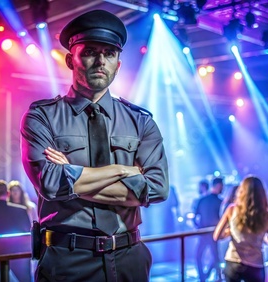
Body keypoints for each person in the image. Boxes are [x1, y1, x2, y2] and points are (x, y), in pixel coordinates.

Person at [20, 9, 169, 282]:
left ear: (118, 64)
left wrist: (73, 177)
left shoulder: (141, 121)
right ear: (70, 59)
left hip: (129, 259)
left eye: (110, 53)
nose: (100, 61)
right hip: (67, 262)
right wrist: (123, 170)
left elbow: (158, 188)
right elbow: (51, 184)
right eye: (89, 51)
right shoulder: (42, 117)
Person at [213, 176, 268, 282]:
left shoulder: (231, 210)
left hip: (234, 261)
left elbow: (217, 236)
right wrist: (262, 237)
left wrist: (230, 231)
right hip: (256, 265)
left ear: (241, 191)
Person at [195, 177, 224, 281]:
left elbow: (196, 217)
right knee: (216, 257)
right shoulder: (220, 202)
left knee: (201, 256)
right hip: (213, 233)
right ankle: (215, 277)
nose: (223, 188)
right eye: (222, 186)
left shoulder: (202, 200)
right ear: (218, 186)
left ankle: (203, 277)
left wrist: (198, 228)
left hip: (204, 233)